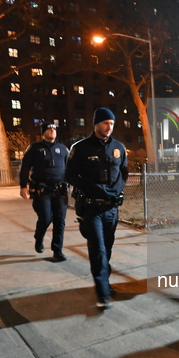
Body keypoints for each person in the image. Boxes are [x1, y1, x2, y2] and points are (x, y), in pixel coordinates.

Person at [66, 108, 129, 309]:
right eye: (105, 123)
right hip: (91, 209)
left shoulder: (119, 147)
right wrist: (93, 188)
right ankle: (102, 294)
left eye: (111, 123)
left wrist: (115, 190)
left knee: (107, 249)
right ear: (96, 124)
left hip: (111, 209)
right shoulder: (81, 148)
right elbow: (70, 175)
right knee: (99, 250)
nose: (109, 127)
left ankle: (104, 284)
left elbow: (124, 173)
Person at [19, 122, 69, 261]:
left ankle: (57, 250)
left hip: (60, 190)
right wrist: (23, 186)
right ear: (43, 132)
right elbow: (25, 168)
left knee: (60, 221)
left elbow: (69, 168)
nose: (52, 131)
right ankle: (39, 237)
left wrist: (75, 184)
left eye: (54, 129)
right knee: (46, 218)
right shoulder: (34, 148)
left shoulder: (63, 149)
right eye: (49, 129)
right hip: (42, 190)